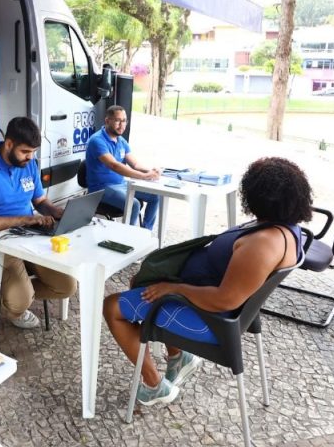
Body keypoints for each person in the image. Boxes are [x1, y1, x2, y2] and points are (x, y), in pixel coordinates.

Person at [102, 156, 312, 406]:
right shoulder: (280, 227)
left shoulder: (264, 244)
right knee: (140, 283)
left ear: (259, 197)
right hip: (203, 301)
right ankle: (179, 358)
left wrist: (173, 287)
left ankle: (154, 385)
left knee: (112, 307)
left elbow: (225, 300)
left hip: (209, 320)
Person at [0, 117, 77, 329]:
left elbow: (40, 201)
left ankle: (0, 293)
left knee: (66, 285)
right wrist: (25, 219)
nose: (30, 157)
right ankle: (10, 300)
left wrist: (58, 212)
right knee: (20, 301)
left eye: (33, 152)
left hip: (27, 235)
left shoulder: (29, 164)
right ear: (9, 144)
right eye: (25, 151)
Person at [85, 105, 161, 230]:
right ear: (107, 121)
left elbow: (135, 164)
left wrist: (150, 171)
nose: (122, 125)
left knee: (155, 196)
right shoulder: (97, 140)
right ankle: (128, 237)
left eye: (124, 120)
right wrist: (144, 176)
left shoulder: (121, 141)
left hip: (121, 185)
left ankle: (146, 232)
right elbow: (114, 165)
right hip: (101, 189)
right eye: (117, 120)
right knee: (134, 204)